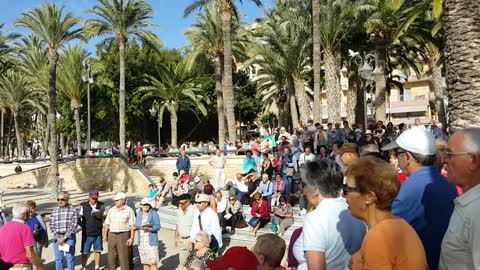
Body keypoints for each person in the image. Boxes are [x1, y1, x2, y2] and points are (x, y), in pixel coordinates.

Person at [382, 127, 458, 269]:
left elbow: (385, 233)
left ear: (407, 157)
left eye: (397, 154)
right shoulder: (447, 183)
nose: (397, 160)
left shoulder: (408, 190)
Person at [345, 157, 427, 270]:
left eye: (349, 190)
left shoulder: (377, 236)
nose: (346, 196)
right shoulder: (400, 223)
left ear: (369, 197)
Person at [293, 159, 366, 270]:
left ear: (315, 189)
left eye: (304, 184)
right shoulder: (354, 210)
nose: (303, 190)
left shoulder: (315, 218)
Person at [439, 128, 480, 269]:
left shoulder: (477, 210)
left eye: (450, 155)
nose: (444, 160)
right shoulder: (470, 204)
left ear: (473, 161)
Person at [0, 203, 46, 270]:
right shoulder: (25, 228)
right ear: (25, 215)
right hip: (21, 267)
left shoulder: (3, 228)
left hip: (6, 266)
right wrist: (41, 267)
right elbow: (30, 254)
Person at [103, 192, 136, 270]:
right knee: (111, 257)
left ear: (123, 201)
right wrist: (105, 235)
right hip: (112, 235)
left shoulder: (129, 210)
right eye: (115, 200)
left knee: (124, 258)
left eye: (117, 200)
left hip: (123, 235)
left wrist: (132, 238)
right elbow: (107, 224)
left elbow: (132, 226)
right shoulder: (111, 210)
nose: (115, 202)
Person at [50, 191, 78, 270]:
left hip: (69, 237)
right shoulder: (54, 210)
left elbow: (74, 225)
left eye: (62, 199)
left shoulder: (73, 210)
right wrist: (58, 237)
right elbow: (51, 224)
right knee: (58, 259)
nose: (60, 201)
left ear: (67, 199)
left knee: (70, 258)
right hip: (57, 237)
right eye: (58, 199)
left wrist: (64, 237)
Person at [78, 190, 104, 270]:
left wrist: (101, 217)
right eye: (93, 198)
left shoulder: (101, 205)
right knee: (85, 252)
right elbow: (78, 218)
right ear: (89, 197)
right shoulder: (83, 206)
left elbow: (105, 217)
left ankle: (97, 267)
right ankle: (84, 267)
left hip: (98, 233)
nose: (94, 200)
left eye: (96, 198)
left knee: (98, 250)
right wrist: (83, 226)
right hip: (87, 234)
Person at [134, 198, 161, 270]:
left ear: (150, 205)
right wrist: (135, 227)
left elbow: (158, 226)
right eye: (144, 204)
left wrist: (149, 229)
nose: (146, 206)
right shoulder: (139, 214)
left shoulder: (154, 213)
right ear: (141, 205)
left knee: (153, 263)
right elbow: (137, 225)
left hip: (151, 242)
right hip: (142, 242)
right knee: (145, 263)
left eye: (147, 204)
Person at [26, 200, 48, 270]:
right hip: (27, 244)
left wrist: (38, 232)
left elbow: (44, 229)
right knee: (29, 261)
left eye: (32, 208)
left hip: (37, 242)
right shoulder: (23, 218)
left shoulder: (38, 217)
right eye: (29, 209)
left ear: (35, 208)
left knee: (37, 260)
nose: (30, 210)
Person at [176, 193, 196, 266]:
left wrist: (192, 241)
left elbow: (196, 227)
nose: (181, 205)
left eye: (182, 203)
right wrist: (176, 237)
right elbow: (178, 224)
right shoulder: (179, 210)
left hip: (190, 239)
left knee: (191, 263)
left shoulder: (194, 210)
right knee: (182, 263)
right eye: (179, 203)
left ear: (188, 202)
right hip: (181, 239)